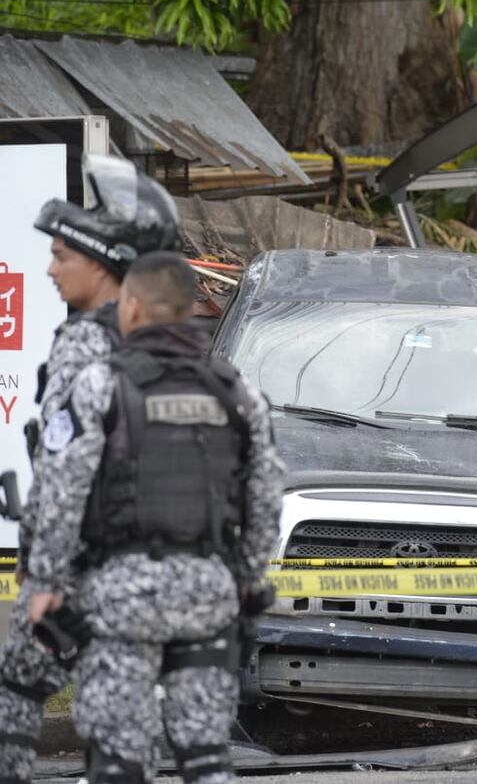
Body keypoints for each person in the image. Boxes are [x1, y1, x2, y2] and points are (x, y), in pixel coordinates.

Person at [24, 252, 283, 783]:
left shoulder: (100, 385)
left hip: (122, 594)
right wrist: (245, 574)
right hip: (207, 593)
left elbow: (62, 491)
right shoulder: (238, 393)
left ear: (133, 308)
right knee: (205, 753)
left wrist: (47, 581)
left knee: (118, 755)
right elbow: (266, 496)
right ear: (190, 309)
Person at [0, 155, 182, 783]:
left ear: (103, 263)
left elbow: (65, 469)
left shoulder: (85, 342)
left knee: (20, 691)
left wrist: (43, 568)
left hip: (89, 568)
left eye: (61, 256)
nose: (50, 270)